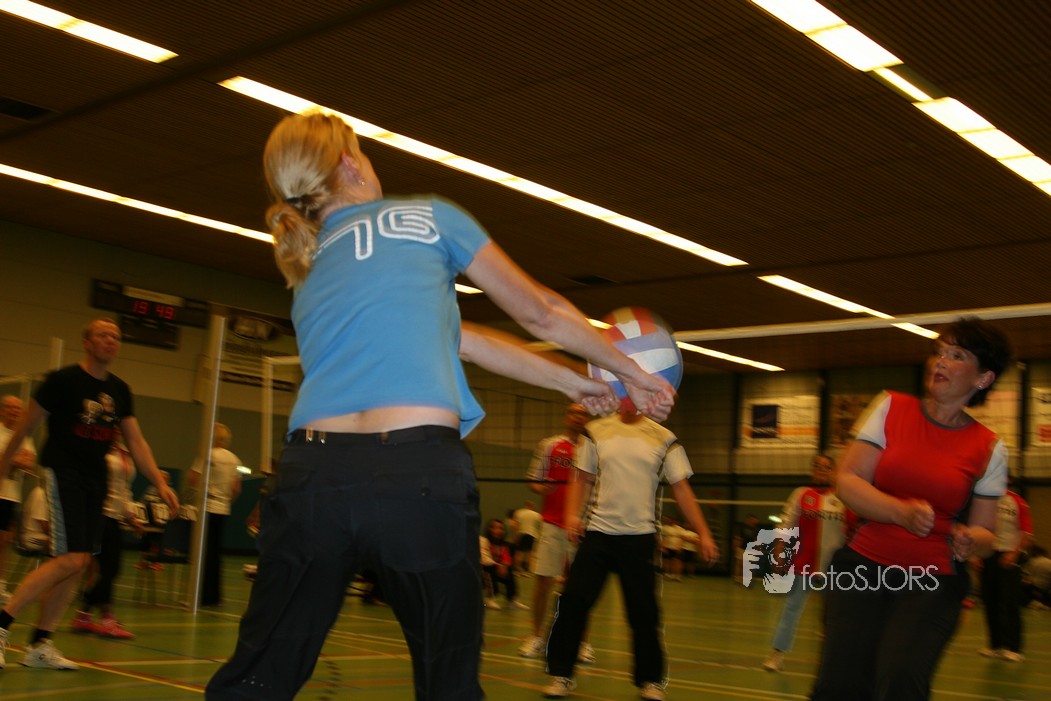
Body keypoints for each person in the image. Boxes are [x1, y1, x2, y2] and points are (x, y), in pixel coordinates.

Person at [205, 110, 676, 701]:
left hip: (312, 480)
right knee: (448, 680)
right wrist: (631, 372)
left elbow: (464, 340)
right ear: (350, 162)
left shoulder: (309, 263)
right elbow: (541, 312)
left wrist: (573, 384)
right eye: (364, 152)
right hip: (416, 477)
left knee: (259, 675)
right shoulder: (428, 217)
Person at [811, 316, 1012, 701]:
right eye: (938, 352)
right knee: (839, 683)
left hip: (932, 581)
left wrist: (973, 540)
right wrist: (900, 512)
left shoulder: (990, 447)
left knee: (900, 677)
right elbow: (848, 480)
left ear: (983, 378)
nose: (940, 361)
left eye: (957, 356)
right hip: (862, 569)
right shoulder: (890, 407)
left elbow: (988, 534)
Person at [0, 318, 179, 671]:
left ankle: (40, 644)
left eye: (115, 336)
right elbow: (26, 425)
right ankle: (3, 624)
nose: (110, 340)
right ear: (87, 342)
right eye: (103, 335)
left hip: (97, 482)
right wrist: (4, 463)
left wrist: (159, 482)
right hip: (64, 473)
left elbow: (136, 441)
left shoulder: (120, 390)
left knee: (79, 564)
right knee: (71, 560)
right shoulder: (63, 381)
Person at [543, 402, 719, 700]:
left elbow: (682, 489)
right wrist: (573, 515)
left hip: (640, 539)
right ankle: (561, 674)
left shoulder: (664, 438)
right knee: (573, 603)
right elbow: (582, 478)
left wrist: (703, 533)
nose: (628, 398)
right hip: (597, 535)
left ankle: (650, 681)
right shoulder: (594, 431)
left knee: (644, 613)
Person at [761, 454, 851, 673]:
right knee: (791, 610)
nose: (821, 470)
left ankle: (832, 661)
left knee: (834, 616)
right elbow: (785, 525)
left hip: (835, 568)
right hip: (803, 565)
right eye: (817, 466)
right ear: (812, 470)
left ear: (833, 471)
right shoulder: (801, 494)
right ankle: (776, 655)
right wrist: (779, 553)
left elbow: (852, 530)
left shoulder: (843, 497)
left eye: (826, 467)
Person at [519, 403, 592, 661]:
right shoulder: (549, 445)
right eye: (573, 412)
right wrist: (542, 488)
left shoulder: (594, 450)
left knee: (580, 587)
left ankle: (582, 643)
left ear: (587, 419)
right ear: (566, 417)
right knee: (543, 582)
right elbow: (533, 480)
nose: (577, 417)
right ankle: (537, 637)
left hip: (582, 526)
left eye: (582, 414)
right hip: (552, 524)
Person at [71, 430, 143, 639]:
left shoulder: (124, 452)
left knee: (110, 569)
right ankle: (106, 618)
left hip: (114, 517)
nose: (119, 431)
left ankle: (84, 615)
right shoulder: (98, 449)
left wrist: (131, 516)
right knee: (107, 568)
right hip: (99, 514)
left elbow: (124, 489)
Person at [188, 423, 243, 606]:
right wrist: (225, 501)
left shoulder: (207, 455)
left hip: (206, 507)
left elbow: (193, 479)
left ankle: (200, 595)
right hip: (223, 509)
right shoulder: (234, 459)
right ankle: (214, 596)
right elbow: (236, 489)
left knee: (202, 552)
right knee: (215, 552)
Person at [977, 487, 1033, 662]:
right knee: (989, 600)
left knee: (1009, 601)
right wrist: (977, 554)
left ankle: (1014, 648)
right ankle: (995, 645)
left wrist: (1014, 553)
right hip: (989, 554)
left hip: (1009, 553)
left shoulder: (1017, 501)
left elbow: (1027, 533)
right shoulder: (985, 500)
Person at [0, 395, 37, 604]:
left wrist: (9, 460)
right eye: (10, 408)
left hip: (10, 496)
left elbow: (30, 462)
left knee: (3, 542)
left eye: (17, 408)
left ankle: (0, 586)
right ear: (2, 410)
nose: (14, 411)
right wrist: (16, 460)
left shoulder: (24, 436)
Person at [482, 518, 525, 610]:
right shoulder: (483, 541)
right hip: (482, 572)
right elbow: (484, 559)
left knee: (509, 570)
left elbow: (506, 558)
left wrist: (505, 566)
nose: (498, 531)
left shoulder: (504, 544)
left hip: (496, 571)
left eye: (501, 528)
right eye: (495, 528)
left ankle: (512, 599)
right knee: (489, 567)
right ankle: (489, 598)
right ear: (489, 529)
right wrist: (498, 565)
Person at [512, 500, 542, 573]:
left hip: (521, 533)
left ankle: (518, 567)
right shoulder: (537, 515)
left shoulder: (519, 512)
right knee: (529, 552)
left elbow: (516, 525)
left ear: (526, 505)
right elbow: (540, 526)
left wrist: (515, 535)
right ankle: (527, 567)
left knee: (519, 551)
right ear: (533, 506)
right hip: (532, 534)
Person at [733, 513, 762, 584]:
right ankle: (737, 578)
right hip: (741, 548)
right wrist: (736, 546)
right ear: (748, 519)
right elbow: (738, 537)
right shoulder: (742, 527)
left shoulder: (756, 529)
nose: (753, 521)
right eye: (752, 519)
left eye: (754, 520)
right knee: (739, 564)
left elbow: (756, 540)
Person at [1022, 544, 1051, 609]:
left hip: (1032, 588)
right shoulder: (1049, 562)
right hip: (1044, 589)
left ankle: (1033, 602)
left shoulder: (1030, 561)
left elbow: (1024, 577)